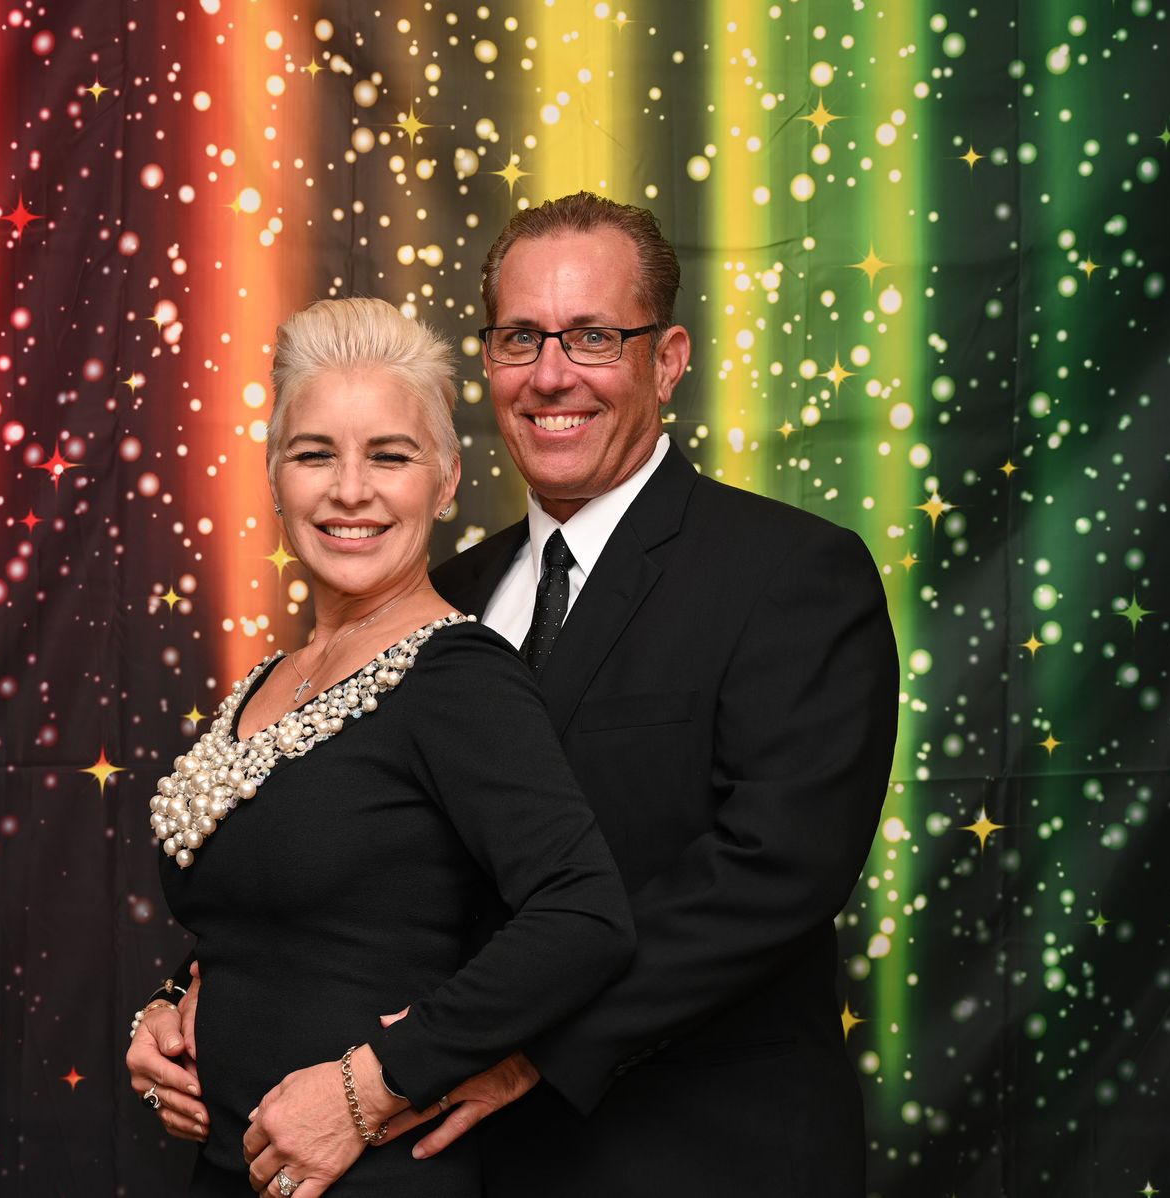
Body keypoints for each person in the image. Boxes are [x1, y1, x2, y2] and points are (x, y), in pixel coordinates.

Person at [403, 192, 901, 1194]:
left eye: (594, 336)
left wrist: (523, 1043)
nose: (551, 375)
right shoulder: (438, 598)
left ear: (668, 360)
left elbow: (774, 871)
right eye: (519, 337)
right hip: (459, 1167)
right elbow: (358, 842)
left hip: (703, 1159)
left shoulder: (791, 572)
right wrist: (201, 1003)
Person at [128, 296, 635, 1197]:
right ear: (274, 476)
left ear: (445, 481)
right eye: (314, 454)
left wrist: (375, 1084)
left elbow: (583, 917)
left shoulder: (459, 677)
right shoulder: (274, 678)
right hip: (229, 1172)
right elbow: (277, 915)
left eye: (390, 456)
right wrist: (167, 1012)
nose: (350, 490)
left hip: (372, 1178)